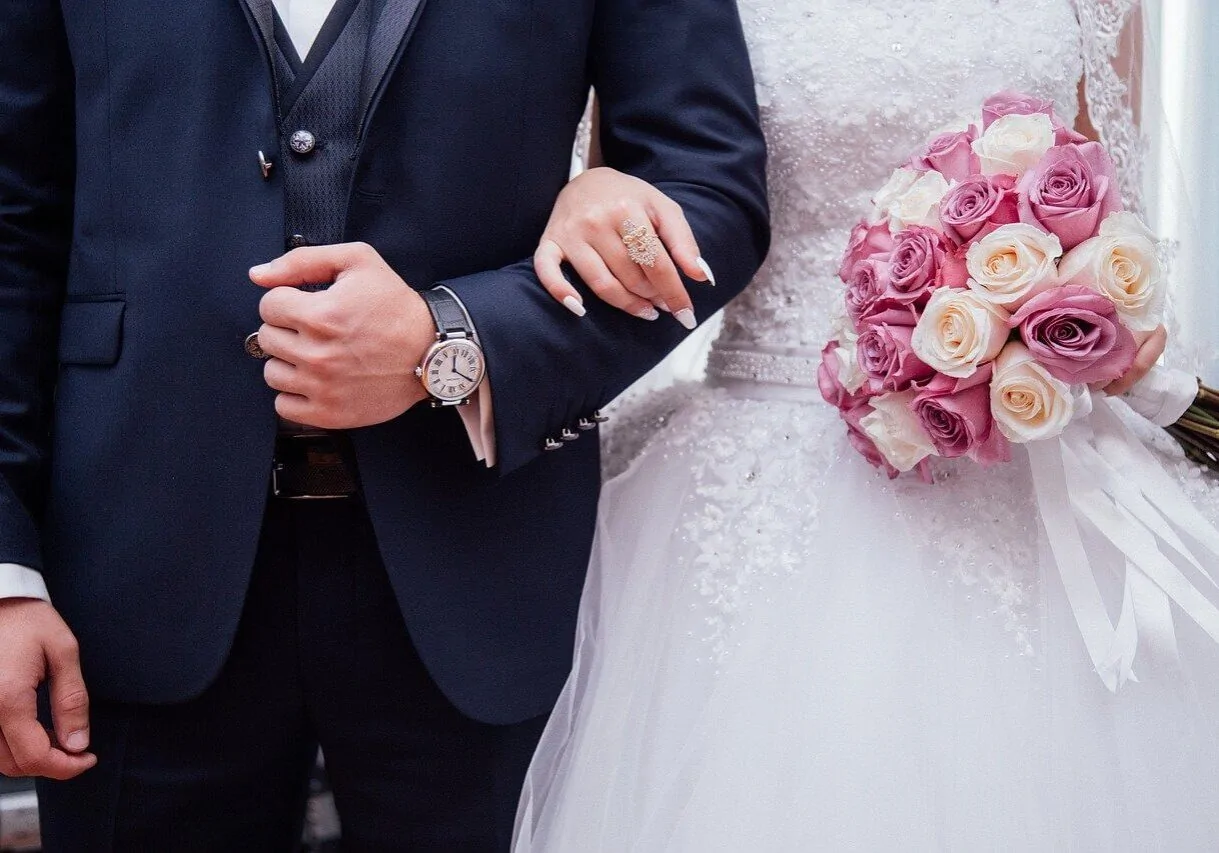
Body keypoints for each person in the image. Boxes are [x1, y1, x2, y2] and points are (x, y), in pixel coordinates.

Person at [0, 1, 768, 849]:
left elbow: (709, 196)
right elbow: (12, 219)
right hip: (130, 559)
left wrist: (453, 342)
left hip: (481, 561)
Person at [512, 1, 1219, 850]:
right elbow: (643, 216)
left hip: (1018, 460)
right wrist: (588, 190)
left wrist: (1060, 322)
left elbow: (1109, 205)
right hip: (754, 476)